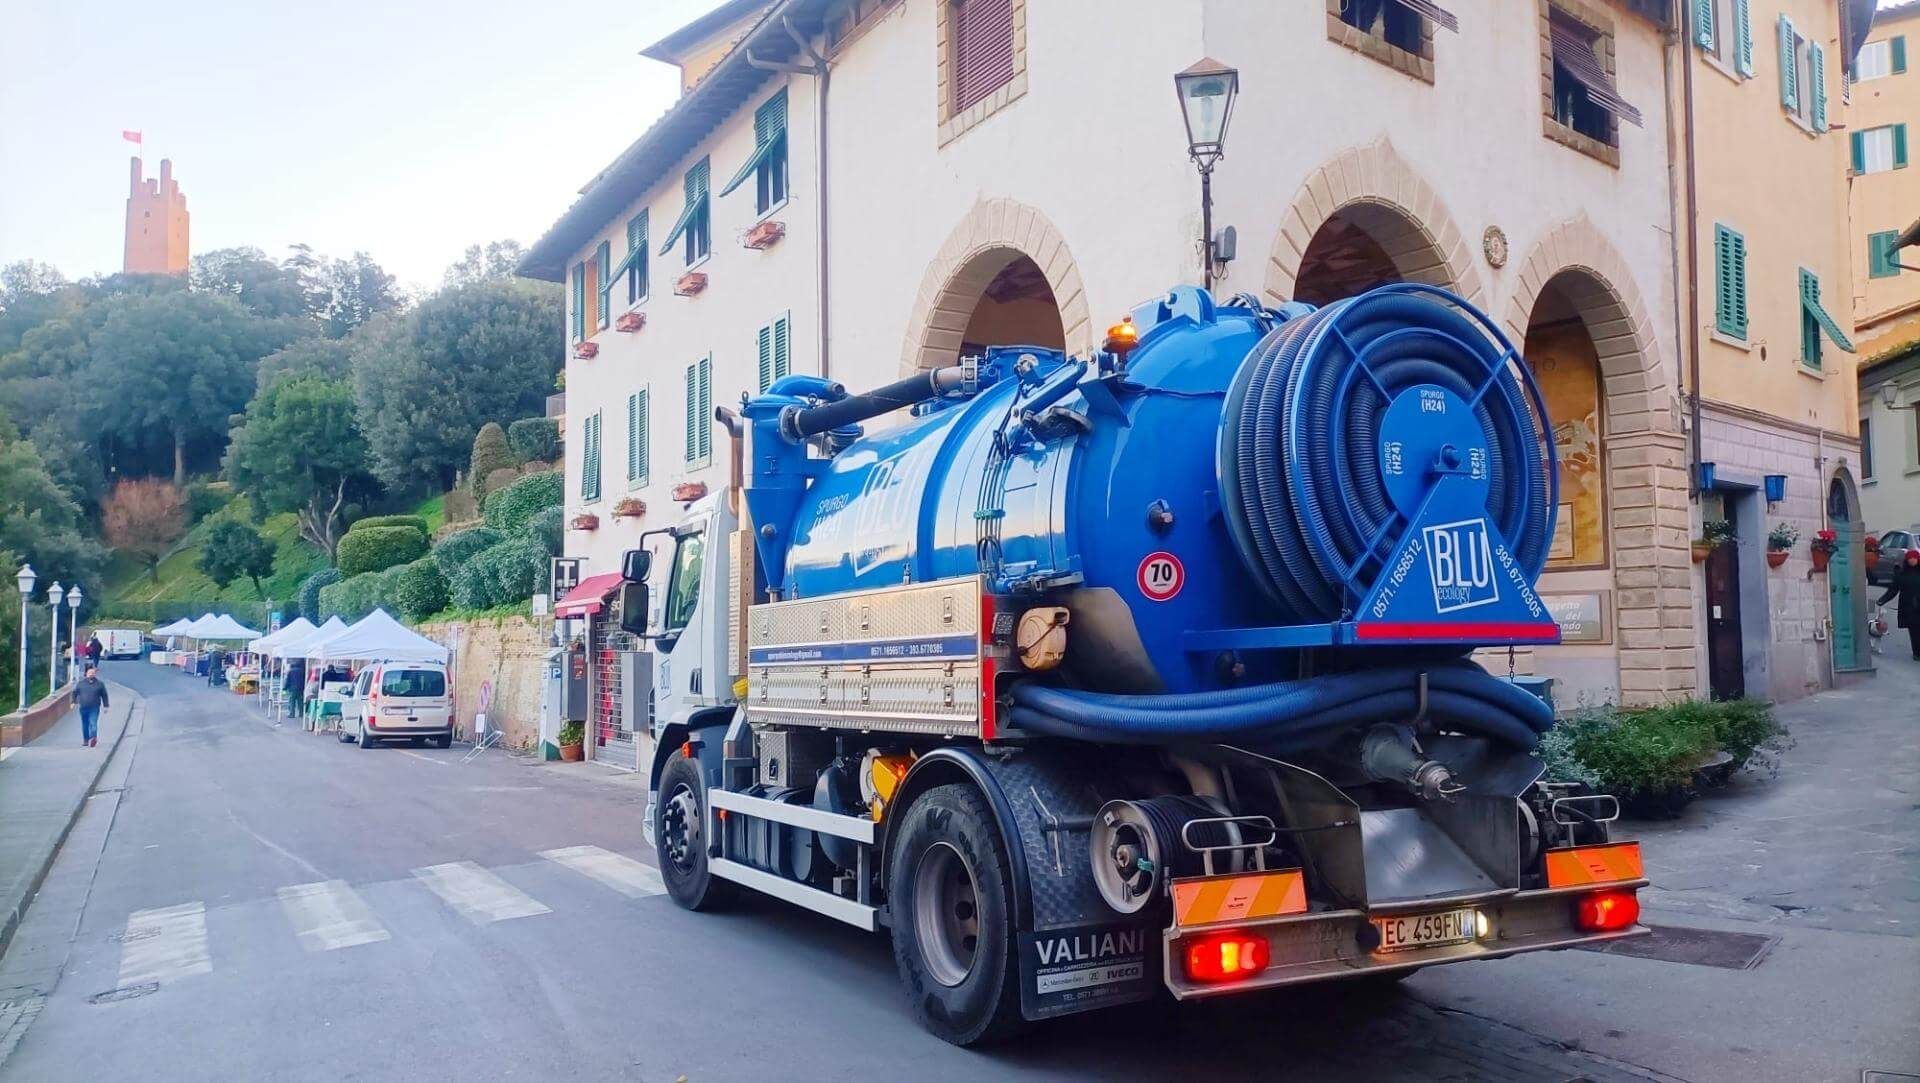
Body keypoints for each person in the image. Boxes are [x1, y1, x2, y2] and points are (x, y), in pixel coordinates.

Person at [1876, 549, 1920, 661]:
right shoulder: (1902, 574)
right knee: (1914, 629)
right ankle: (1917, 652)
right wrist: (1883, 600)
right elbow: (1893, 590)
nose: (1912, 561)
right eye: (1910, 558)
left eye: (1914, 558)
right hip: (1908, 605)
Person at [73, 665, 109, 748]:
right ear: (86, 673)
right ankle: (86, 740)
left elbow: (104, 695)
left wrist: (106, 706)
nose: (91, 674)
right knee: (85, 724)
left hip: (94, 707)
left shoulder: (100, 684)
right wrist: (73, 702)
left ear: (95, 674)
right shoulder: (81, 684)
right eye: (90, 673)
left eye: (93, 673)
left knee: (93, 723)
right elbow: (75, 693)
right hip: (83, 707)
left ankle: (93, 738)